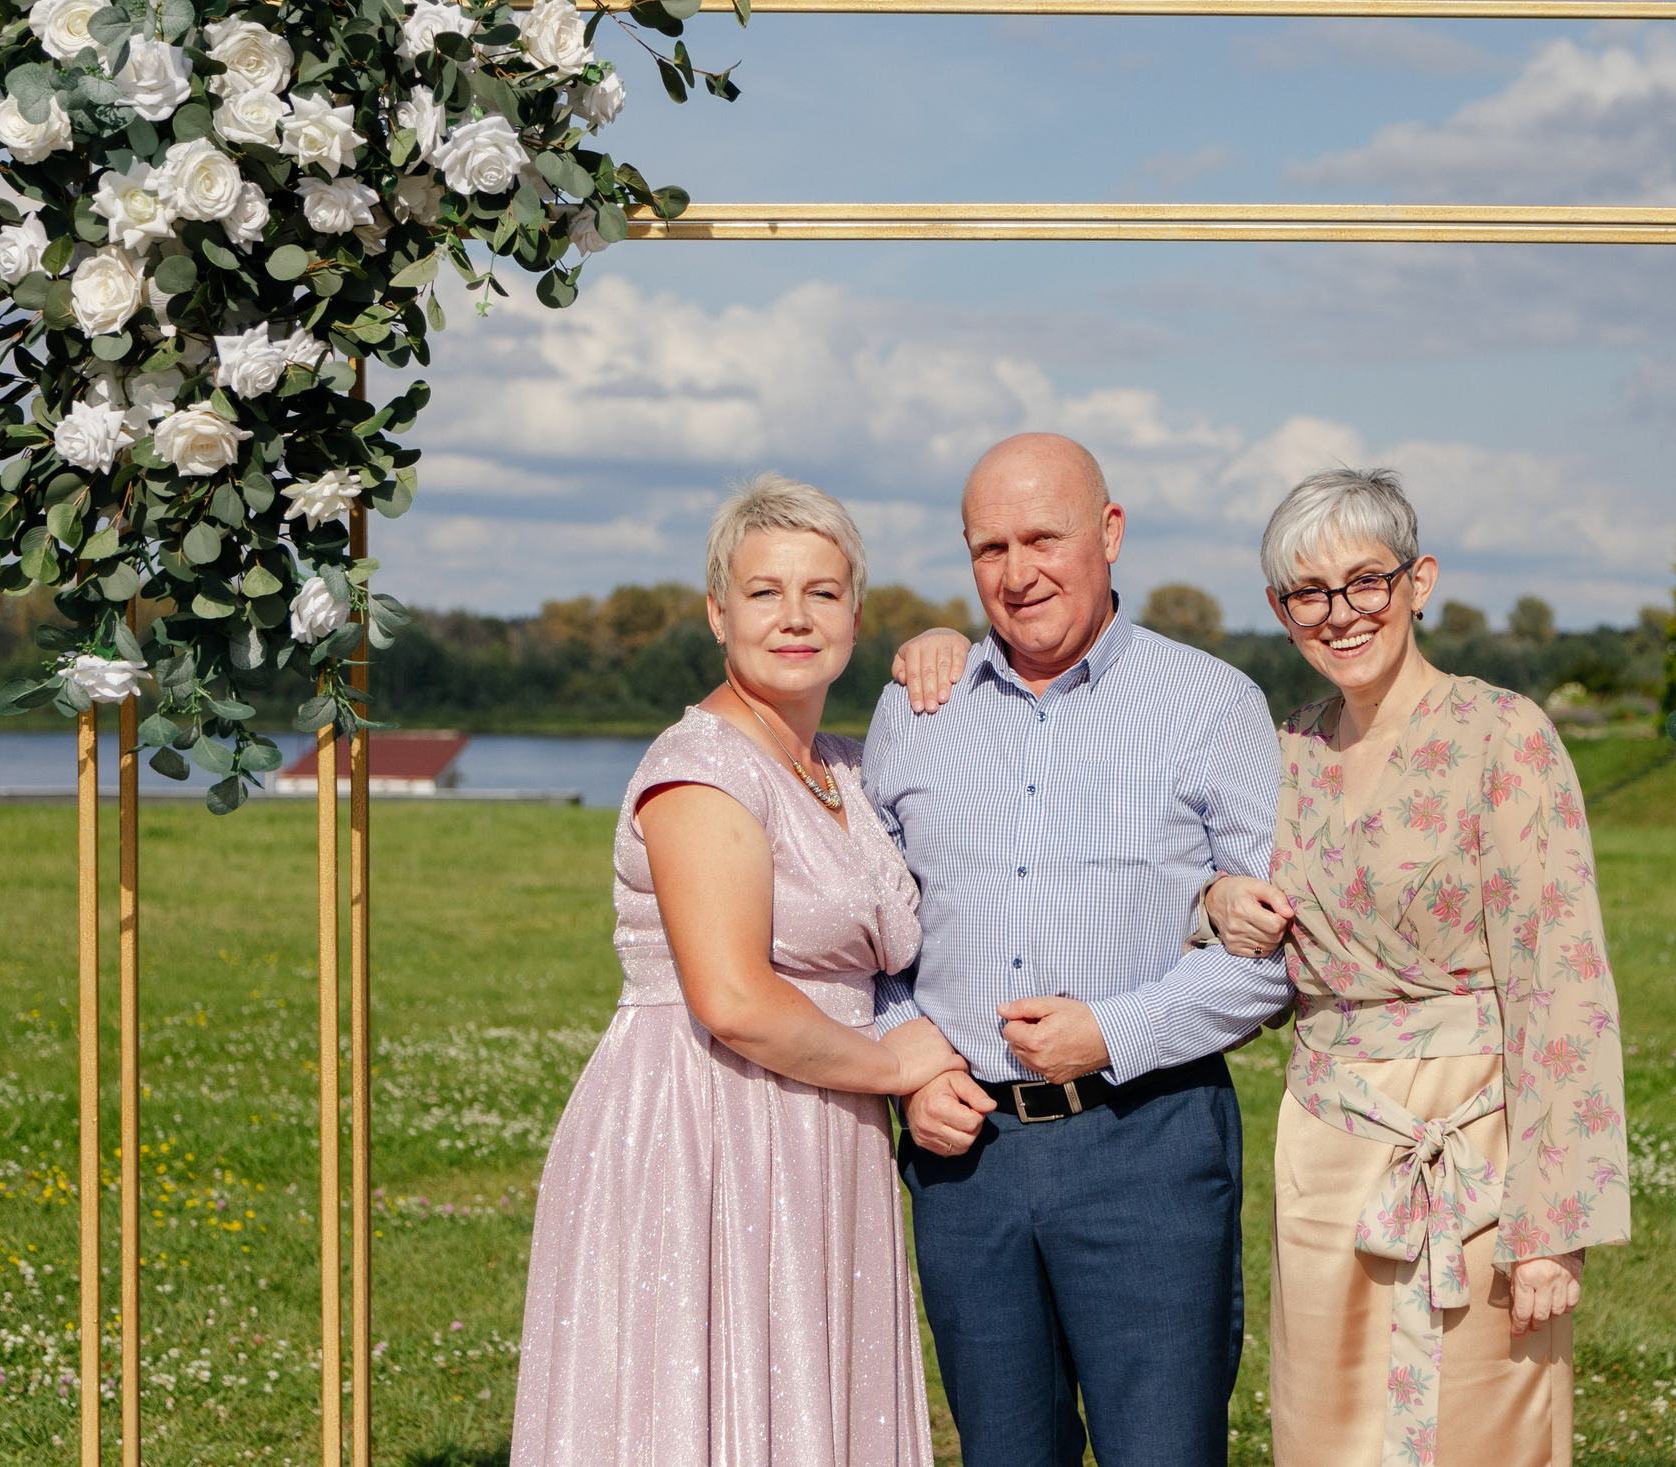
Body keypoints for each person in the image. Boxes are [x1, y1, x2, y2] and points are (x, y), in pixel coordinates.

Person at [511, 474, 963, 1467]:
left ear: (855, 613)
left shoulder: (843, 765)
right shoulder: (702, 768)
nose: (794, 619)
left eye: (823, 593)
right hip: (706, 1124)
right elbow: (731, 1000)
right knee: (697, 1409)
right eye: (764, 593)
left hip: (821, 1128)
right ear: (719, 612)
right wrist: (898, 1068)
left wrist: (951, 653)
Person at [868, 433, 1289, 1467]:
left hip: (1144, 1141)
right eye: (989, 548)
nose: (1017, 574)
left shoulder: (1213, 704)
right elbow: (867, 932)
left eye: (1043, 537)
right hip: (965, 1162)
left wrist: (1112, 1030)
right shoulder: (913, 710)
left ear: (1109, 533)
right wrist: (906, 1066)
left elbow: (1273, 948)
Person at [1203, 467, 1632, 1467]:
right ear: (1280, 610)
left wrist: (1552, 1223)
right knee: (1325, 1433)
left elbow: (1561, 983)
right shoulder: (1286, 755)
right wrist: (1212, 903)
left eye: (1367, 581)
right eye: (1309, 593)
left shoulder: (1504, 738)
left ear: (1417, 580)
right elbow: (1221, 915)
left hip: (1473, 1156)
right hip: (1326, 1160)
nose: (1342, 613)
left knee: (1480, 1429)